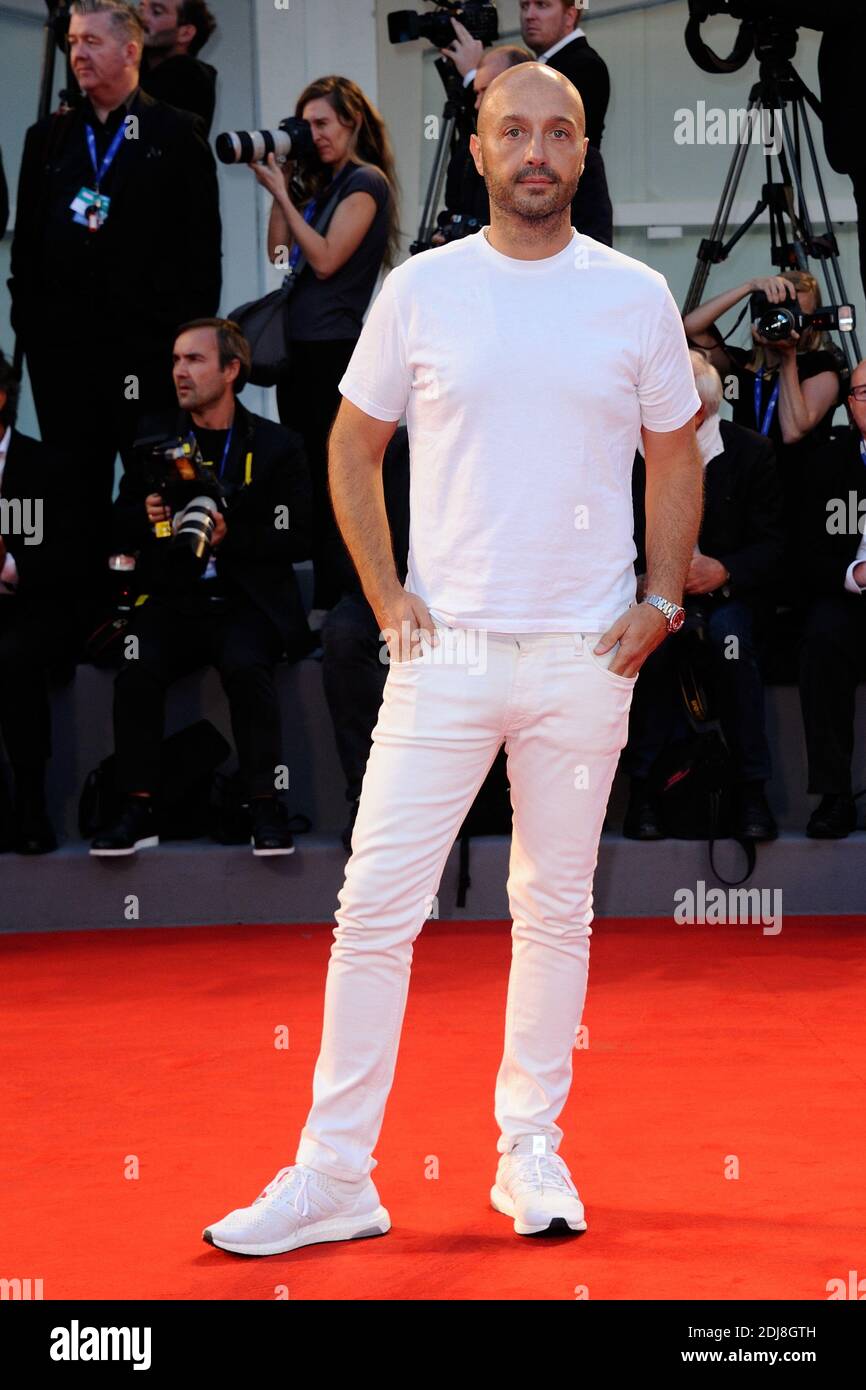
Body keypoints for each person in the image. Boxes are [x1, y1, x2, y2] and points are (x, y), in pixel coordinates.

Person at [202, 62, 702, 1256]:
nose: (536, 151)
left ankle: (529, 1149)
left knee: (552, 909)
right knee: (372, 909)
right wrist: (385, 595)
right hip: (445, 653)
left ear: (583, 154)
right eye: (511, 131)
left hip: (587, 656)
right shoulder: (420, 290)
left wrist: (663, 598)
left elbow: (675, 454)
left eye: (558, 132)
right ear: (474, 150)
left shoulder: (632, 296)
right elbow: (351, 444)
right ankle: (334, 1176)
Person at [90, 319, 313, 858]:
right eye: (174, 361)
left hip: (246, 599)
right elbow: (117, 522)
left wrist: (232, 536)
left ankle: (265, 804)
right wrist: (145, 517)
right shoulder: (153, 437)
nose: (179, 372)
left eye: (193, 360)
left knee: (245, 663)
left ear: (232, 370)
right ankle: (137, 808)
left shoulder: (278, 444)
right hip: (174, 598)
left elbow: (299, 534)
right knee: (137, 665)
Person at [9, 0, 222, 563]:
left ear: (130, 51)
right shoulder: (48, 138)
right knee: (72, 490)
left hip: (145, 356)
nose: (77, 53)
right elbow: (25, 248)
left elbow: (202, 257)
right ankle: (80, 622)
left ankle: (154, 621)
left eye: (92, 43)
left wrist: (184, 350)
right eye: (73, 41)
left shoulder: (175, 133)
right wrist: (28, 327)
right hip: (63, 360)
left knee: (153, 491)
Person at [248, 75, 399, 624]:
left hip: (334, 352)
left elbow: (328, 259)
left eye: (323, 124)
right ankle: (322, 598)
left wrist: (284, 194)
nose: (314, 135)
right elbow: (280, 252)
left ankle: (344, 596)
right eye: (306, 125)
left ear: (352, 122)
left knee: (337, 471)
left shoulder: (365, 183)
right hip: (301, 353)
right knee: (308, 471)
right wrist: (284, 184)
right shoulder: (323, 183)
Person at [624, 351, 785, 842]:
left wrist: (725, 570)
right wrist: (640, 579)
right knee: (653, 643)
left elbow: (776, 544)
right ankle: (645, 791)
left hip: (724, 597)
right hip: (649, 595)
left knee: (729, 641)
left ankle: (751, 790)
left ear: (699, 409)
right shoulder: (625, 453)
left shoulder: (750, 451)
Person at [683, 270, 843, 569]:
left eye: (798, 314)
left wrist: (789, 358)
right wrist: (749, 286)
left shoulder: (822, 365)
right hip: (750, 489)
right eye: (779, 310)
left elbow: (794, 429)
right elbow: (690, 329)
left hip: (800, 489)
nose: (787, 320)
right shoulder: (743, 367)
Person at [0, 353, 81, 855]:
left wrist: (9, 566)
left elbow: (69, 558)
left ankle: (31, 806)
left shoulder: (46, 465)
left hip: (29, 606)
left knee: (14, 660)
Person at [320, 427, 410, 853]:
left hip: (466, 595)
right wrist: (388, 594)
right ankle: (366, 797)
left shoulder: (484, 443)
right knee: (343, 634)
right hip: (381, 591)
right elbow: (348, 544)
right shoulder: (381, 450)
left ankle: (485, 805)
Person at [796, 359, 866, 838]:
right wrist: (854, 573)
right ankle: (835, 795)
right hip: (846, 594)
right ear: (848, 406)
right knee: (822, 636)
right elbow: (802, 549)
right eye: (863, 391)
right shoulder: (826, 461)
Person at [435, 43, 537, 245]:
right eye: (476, 92)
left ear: (520, 87)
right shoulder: (469, 152)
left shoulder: (563, 157)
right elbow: (453, 209)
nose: (477, 103)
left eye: (485, 91)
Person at [138, 0, 218, 134]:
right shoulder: (138, 69)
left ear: (185, 33)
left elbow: (134, 133)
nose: (141, 17)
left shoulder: (191, 77)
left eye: (156, 12)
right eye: (141, 8)